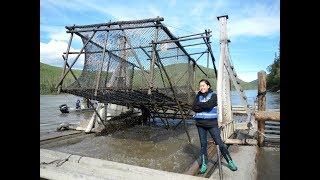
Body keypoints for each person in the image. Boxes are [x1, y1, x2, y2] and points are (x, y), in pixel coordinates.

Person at [192, 79, 237, 174]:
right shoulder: (198, 95)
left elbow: (209, 105)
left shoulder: (214, 95)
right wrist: (202, 105)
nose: (201, 87)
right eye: (200, 86)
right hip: (200, 124)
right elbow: (193, 107)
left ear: (208, 86)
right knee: (203, 145)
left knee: (220, 143)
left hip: (212, 124)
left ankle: (230, 161)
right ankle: (204, 164)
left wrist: (199, 105)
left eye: (203, 85)